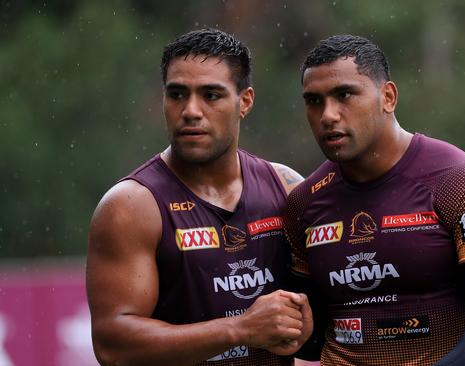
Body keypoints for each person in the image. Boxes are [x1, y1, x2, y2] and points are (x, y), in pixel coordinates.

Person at [283, 34, 465, 366]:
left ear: (388, 97)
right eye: (314, 101)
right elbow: (310, 340)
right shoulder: (303, 203)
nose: (328, 115)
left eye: (344, 95)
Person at [86, 28, 312, 366]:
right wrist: (239, 329)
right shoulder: (130, 207)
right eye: (177, 94)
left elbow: (322, 313)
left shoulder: (287, 187)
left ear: (245, 102)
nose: (191, 110)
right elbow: (113, 345)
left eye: (211, 95)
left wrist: (307, 325)